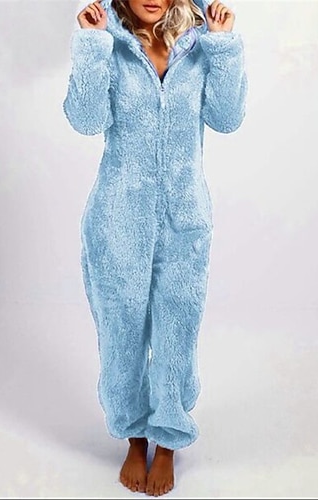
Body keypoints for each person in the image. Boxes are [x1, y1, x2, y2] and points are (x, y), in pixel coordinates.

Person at [62, 0, 247, 495]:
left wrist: (223, 45)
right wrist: (93, 44)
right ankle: (134, 435)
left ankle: (166, 439)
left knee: (176, 330)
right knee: (121, 333)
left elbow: (228, 118)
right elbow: (85, 119)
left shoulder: (198, 46)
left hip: (185, 218)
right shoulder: (111, 45)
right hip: (117, 216)